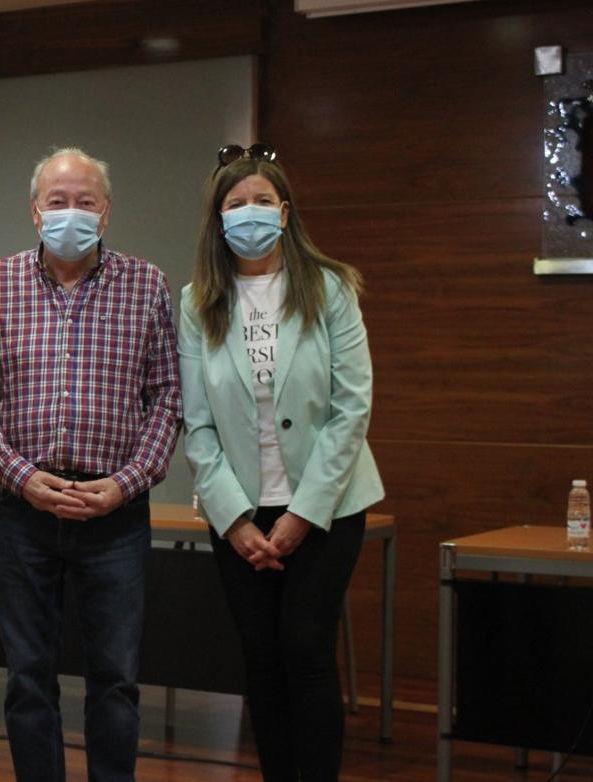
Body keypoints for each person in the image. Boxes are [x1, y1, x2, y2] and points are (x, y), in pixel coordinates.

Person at [0, 147, 182, 781]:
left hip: (115, 514)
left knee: (116, 678)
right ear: (35, 211)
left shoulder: (147, 284)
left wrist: (125, 484)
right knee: (28, 677)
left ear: (106, 212)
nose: (71, 213)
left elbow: (168, 396)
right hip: (20, 511)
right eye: (58, 201)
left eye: (86, 201)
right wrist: (22, 478)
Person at [177, 143, 385, 781]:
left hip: (326, 507)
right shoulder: (197, 301)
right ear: (218, 219)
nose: (250, 213)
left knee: (306, 650)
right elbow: (197, 422)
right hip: (239, 513)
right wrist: (235, 518)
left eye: (262, 201)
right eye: (236, 203)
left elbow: (352, 406)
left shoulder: (330, 288)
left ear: (285, 212)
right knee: (262, 660)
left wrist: (302, 513)